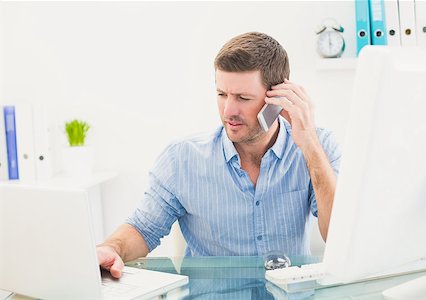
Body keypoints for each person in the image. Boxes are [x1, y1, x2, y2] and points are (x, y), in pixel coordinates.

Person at [97, 32, 341, 278]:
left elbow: (339, 237)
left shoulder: (319, 148)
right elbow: (142, 229)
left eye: (243, 98)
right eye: (222, 94)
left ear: (277, 99)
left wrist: (310, 146)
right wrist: (111, 248)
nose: (228, 110)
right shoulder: (182, 158)